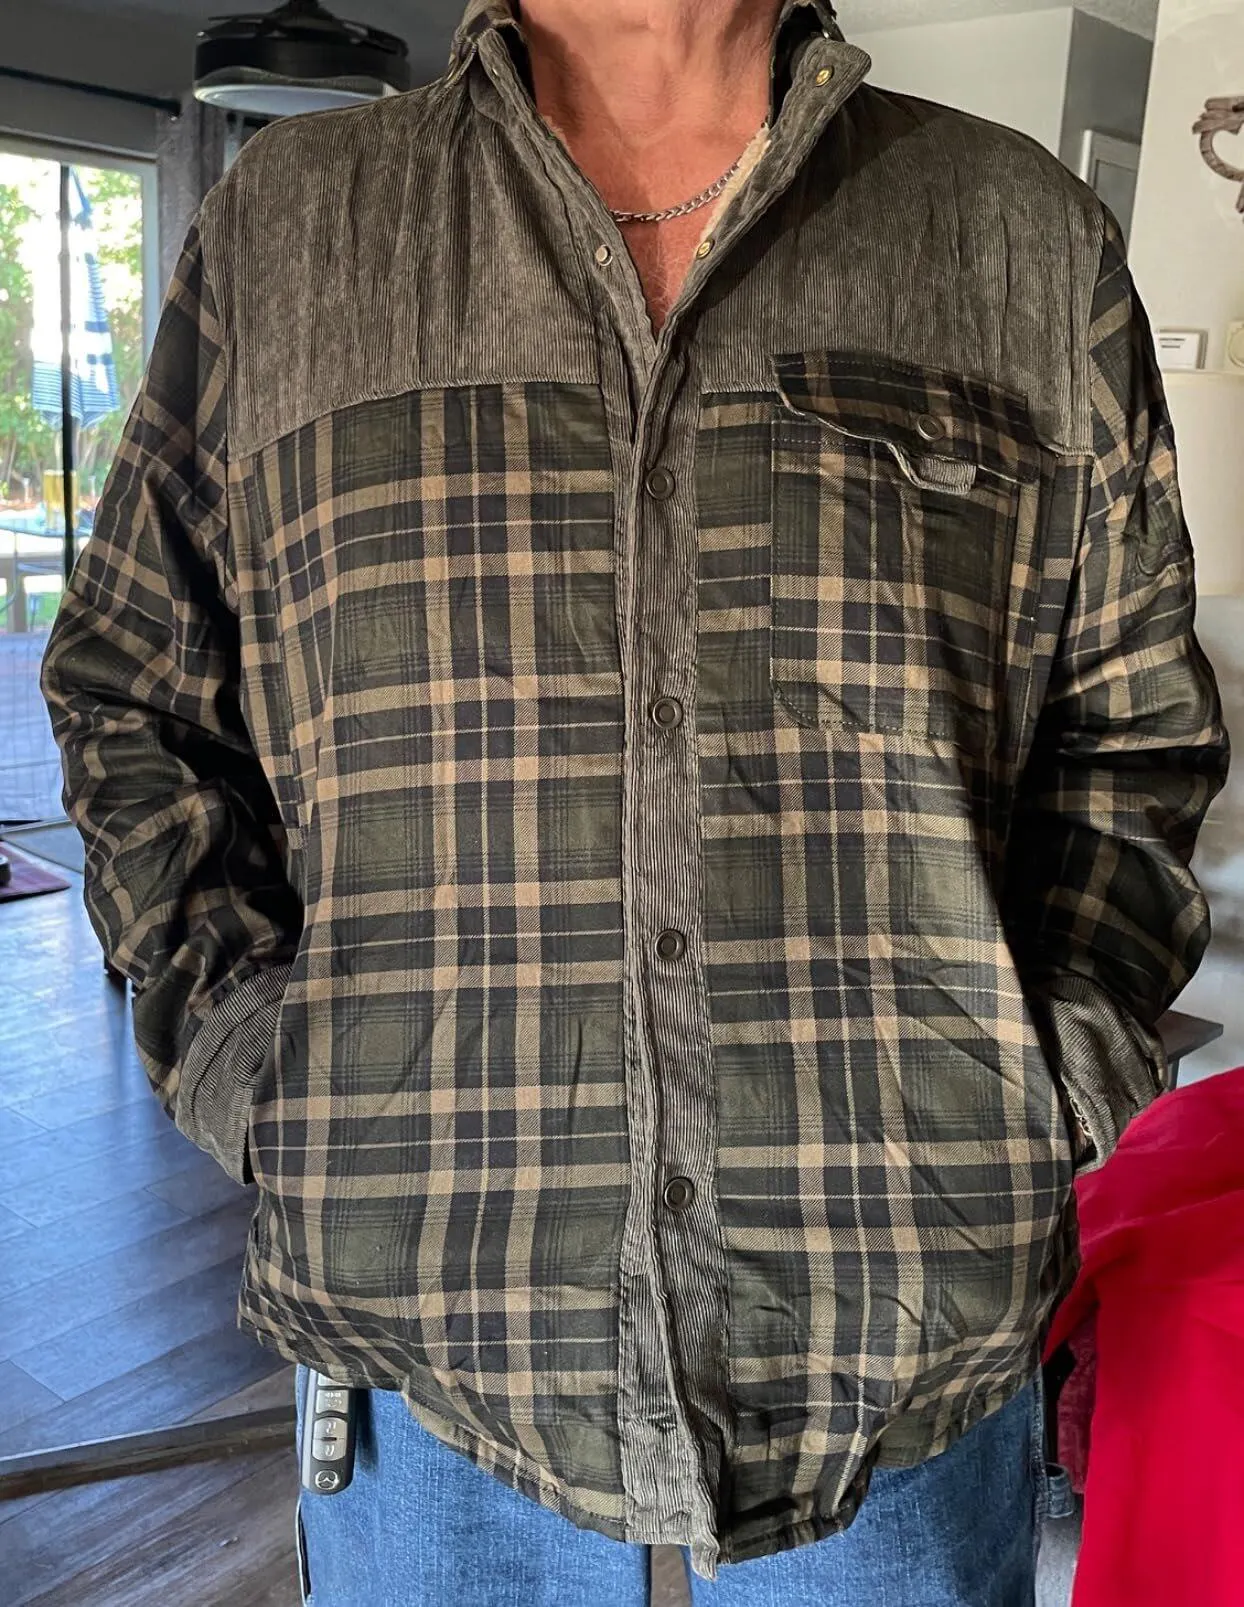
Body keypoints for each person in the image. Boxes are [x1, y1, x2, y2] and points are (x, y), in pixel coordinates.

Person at [40, 0, 1228, 1603]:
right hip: (430, 1338)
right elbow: (136, 693)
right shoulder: (290, 236)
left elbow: (1129, 738)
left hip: (897, 1327)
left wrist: (1042, 1086)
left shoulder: (1018, 240)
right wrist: (261, 1072)